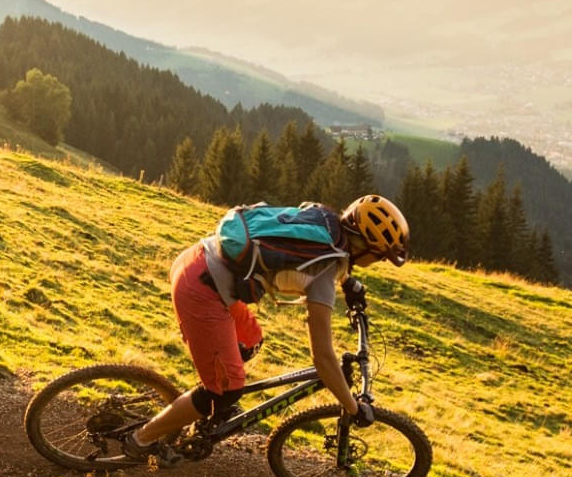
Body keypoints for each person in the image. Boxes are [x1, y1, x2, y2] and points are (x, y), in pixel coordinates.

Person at [124, 195, 410, 462]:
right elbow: (322, 357)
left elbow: (306, 252)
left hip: (198, 258)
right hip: (200, 289)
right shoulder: (325, 268)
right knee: (227, 391)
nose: (380, 261)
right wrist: (352, 407)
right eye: (380, 255)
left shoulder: (325, 221)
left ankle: (204, 401)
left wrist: (350, 285)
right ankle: (140, 441)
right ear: (363, 246)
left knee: (250, 341)